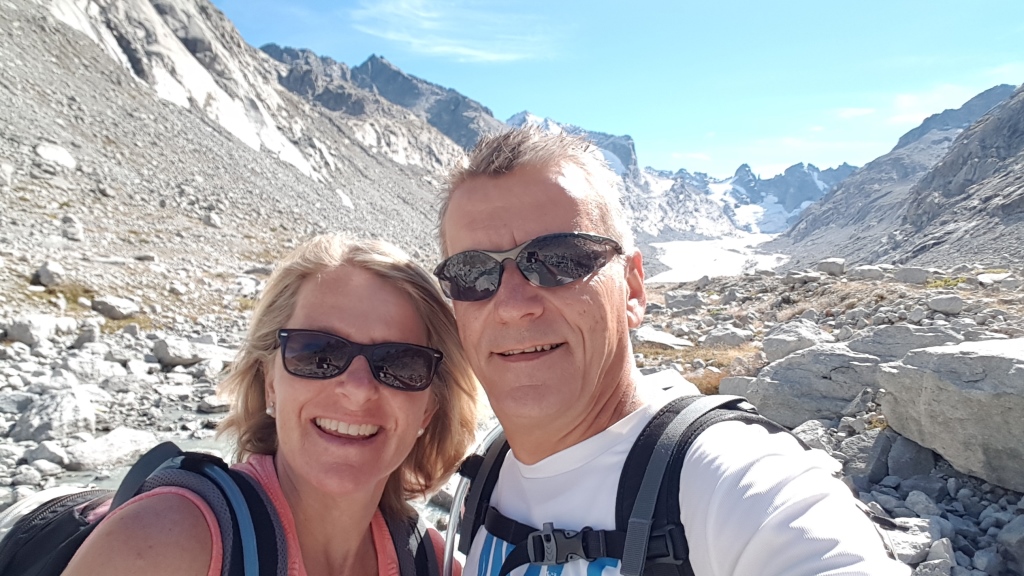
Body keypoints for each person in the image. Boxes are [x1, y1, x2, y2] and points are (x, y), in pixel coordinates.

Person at [434, 126, 910, 576]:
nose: (513, 306)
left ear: (633, 289)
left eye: (560, 260)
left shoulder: (731, 480)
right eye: (472, 274)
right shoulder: (489, 471)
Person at [63, 235, 478, 576]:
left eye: (400, 363)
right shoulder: (165, 542)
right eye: (317, 353)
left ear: (429, 409)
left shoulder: (431, 563)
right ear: (270, 383)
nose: (357, 389)